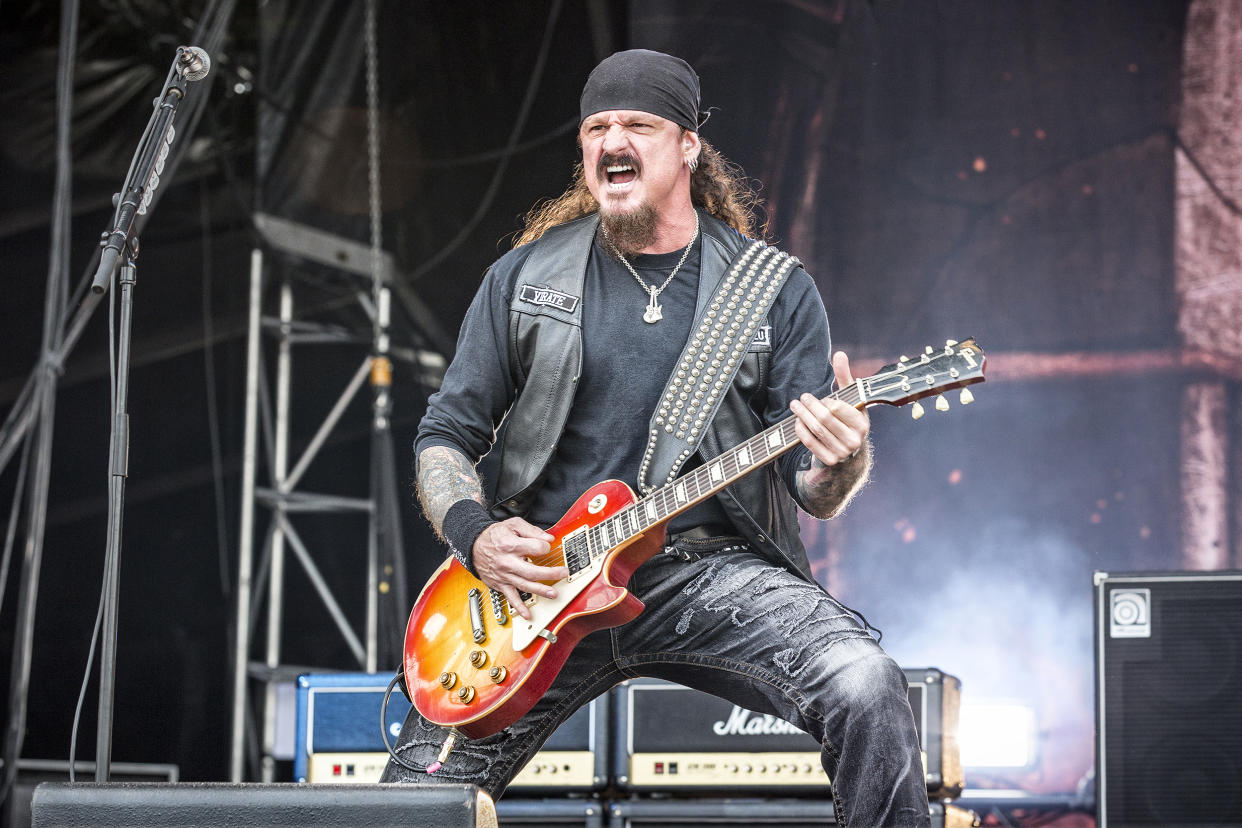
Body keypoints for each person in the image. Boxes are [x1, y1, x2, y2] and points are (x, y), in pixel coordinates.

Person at [383, 49, 930, 826]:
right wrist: (473, 534)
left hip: (708, 574)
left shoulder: (772, 289)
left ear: (687, 147)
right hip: (538, 586)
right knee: (407, 803)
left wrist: (842, 457)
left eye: (638, 124)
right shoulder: (525, 278)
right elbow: (445, 433)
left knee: (867, 685)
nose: (613, 141)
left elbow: (813, 487)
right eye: (597, 127)